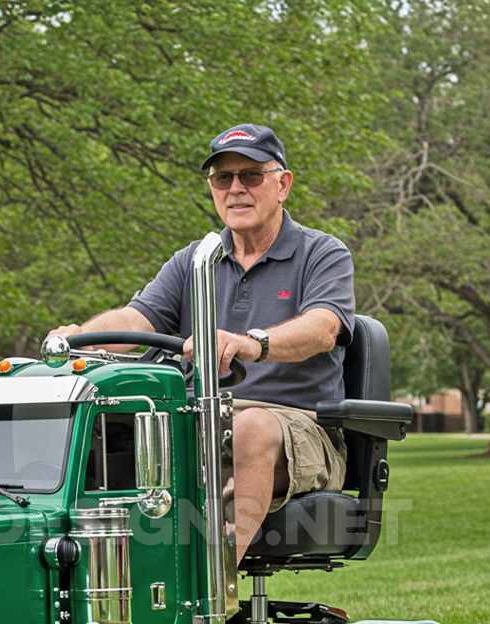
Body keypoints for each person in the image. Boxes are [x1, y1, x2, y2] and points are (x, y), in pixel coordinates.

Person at [51, 123, 355, 563]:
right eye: (222, 178)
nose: (236, 189)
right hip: (200, 422)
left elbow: (323, 327)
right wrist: (76, 337)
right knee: (103, 423)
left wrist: (252, 343)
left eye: (251, 176)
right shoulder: (194, 260)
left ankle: (212, 602)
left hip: (297, 429)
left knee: (249, 428)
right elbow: (135, 319)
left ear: (283, 184)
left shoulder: (322, 253)